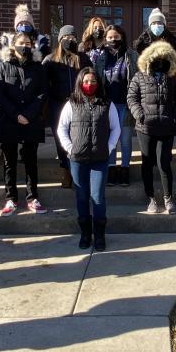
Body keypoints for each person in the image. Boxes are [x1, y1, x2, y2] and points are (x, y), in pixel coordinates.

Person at [57, 66, 121, 250]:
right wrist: (69, 148)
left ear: (98, 83)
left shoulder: (107, 104)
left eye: (93, 81)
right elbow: (62, 128)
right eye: (86, 81)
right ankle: (85, 233)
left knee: (98, 197)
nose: (89, 84)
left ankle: (99, 235)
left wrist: (109, 147)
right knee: (82, 197)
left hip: (100, 159)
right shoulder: (72, 103)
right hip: (77, 159)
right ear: (80, 83)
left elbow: (115, 128)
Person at [127, 39, 176, 215]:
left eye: (164, 58)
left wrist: (174, 117)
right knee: (147, 162)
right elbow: (132, 97)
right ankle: (151, 198)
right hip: (145, 128)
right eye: (156, 58)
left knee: (164, 163)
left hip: (166, 128)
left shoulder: (171, 78)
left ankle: (168, 198)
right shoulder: (139, 76)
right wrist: (140, 115)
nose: (160, 61)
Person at [0, 29, 49, 215]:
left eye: (28, 44)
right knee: (9, 162)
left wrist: (29, 114)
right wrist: (16, 114)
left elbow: (43, 93)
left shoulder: (38, 67)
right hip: (9, 120)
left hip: (31, 121)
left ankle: (32, 198)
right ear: (13, 45)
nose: (25, 46)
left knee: (30, 160)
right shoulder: (3, 66)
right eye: (21, 43)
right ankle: (11, 198)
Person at [97, 24, 138, 185]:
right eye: (110, 37)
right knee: (110, 138)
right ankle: (112, 168)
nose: (113, 40)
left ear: (122, 37)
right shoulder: (101, 58)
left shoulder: (132, 55)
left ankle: (125, 169)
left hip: (125, 104)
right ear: (105, 39)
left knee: (125, 139)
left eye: (116, 37)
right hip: (108, 106)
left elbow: (137, 78)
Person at [44, 25, 83, 188]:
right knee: (61, 139)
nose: (69, 40)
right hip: (57, 105)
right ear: (60, 39)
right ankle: (65, 170)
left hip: (78, 105)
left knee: (77, 138)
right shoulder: (50, 60)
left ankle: (77, 170)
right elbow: (43, 84)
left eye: (73, 38)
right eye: (66, 37)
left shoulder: (82, 59)